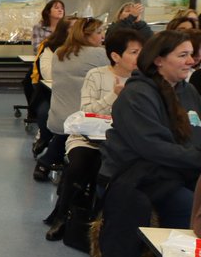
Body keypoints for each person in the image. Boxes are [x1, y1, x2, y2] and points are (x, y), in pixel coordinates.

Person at [95, 30, 201, 257]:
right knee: (189, 207)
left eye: (191, 54)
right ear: (158, 60)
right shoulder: (137, 95)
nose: (191, 60)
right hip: (138, 173)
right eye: (183, 55)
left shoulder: (187, 92)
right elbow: (152, 147)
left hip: (178, 168)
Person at [45, 28, 142, 241]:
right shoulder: (96, 75)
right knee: (79, 164)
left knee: (113, 171)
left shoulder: (142, 81)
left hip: (122, 142)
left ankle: (98, 222)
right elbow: (87, 111)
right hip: (88, 137)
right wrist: (113, 96)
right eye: (134, 52)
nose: (140, 57)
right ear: (116, 56)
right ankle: (62, 216)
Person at [36, 17, 109, 182]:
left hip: (57, 116)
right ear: (86, 35)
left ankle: (45, 161)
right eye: (99, 33)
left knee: (69, 127)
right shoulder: (99, 54)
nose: (102, 36)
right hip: (80, 120)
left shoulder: (59, 52)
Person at [29, 17, 72, 164]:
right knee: (45, 112)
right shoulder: (50, 47)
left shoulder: (87, 50)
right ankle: (45, 138)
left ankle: (57, 149)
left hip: (75, 94)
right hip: (50, 92)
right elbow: (48, 74)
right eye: (72, 29)